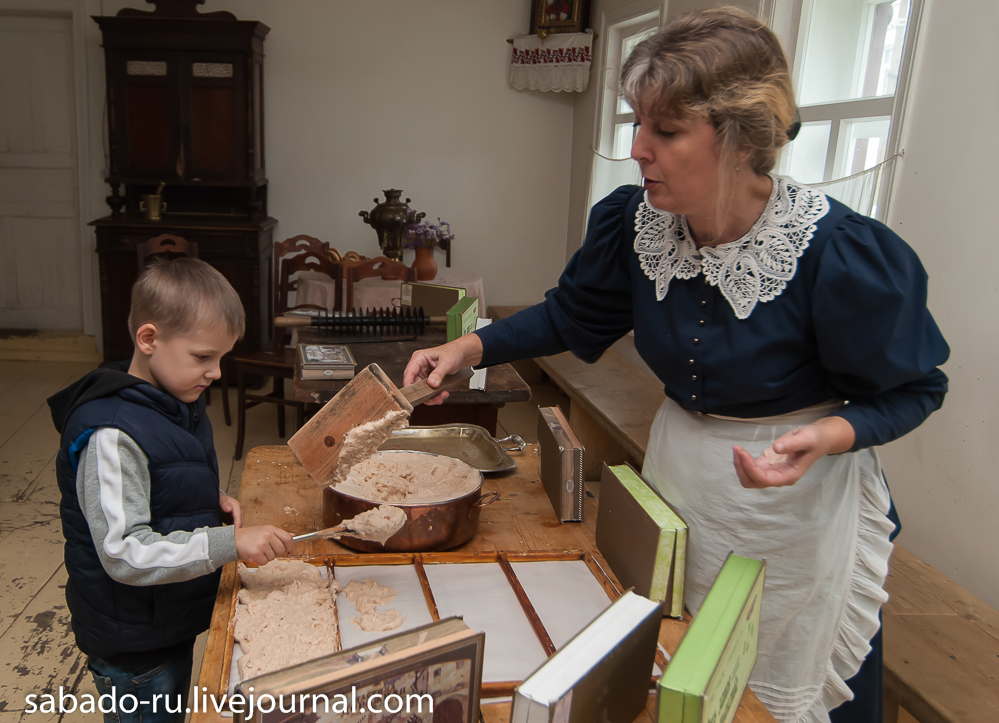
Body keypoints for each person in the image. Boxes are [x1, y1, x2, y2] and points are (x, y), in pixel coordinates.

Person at [404, 8, 948, 723]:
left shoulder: (838, 254)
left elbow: (915, 389)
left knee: (770, 690)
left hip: (794, 506)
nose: (636, 149)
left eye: (663, 130)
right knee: (674, 668)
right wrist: (471, 346)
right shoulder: (635, 224)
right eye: (635, 124)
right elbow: (573, 315)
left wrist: (830, 435)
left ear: (739, 137)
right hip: (678, 481)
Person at [48, 258, 294, 723]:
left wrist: (208, 501)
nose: (216, 373)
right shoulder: (112, 436)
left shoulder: (173, 396)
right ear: (148, 339)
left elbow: (165, 477)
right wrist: (229, 542)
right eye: (203, 357)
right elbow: (123, 553)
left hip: (164, 621)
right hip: (134, 648)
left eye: (221, 358)